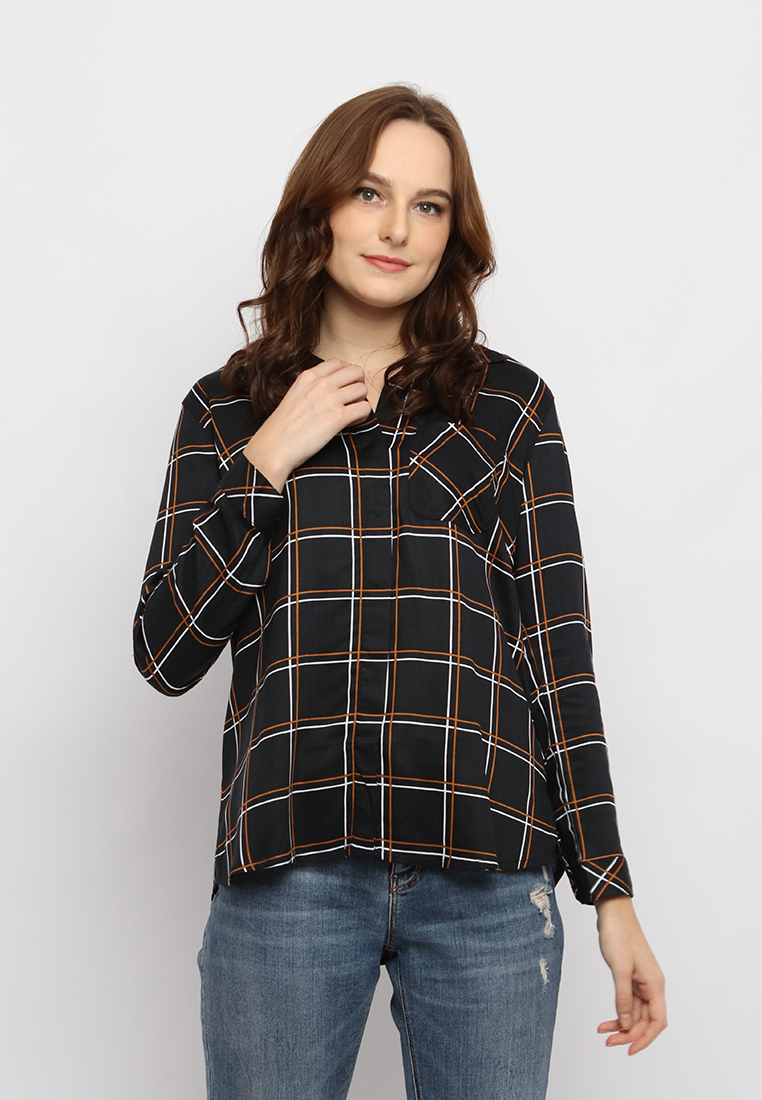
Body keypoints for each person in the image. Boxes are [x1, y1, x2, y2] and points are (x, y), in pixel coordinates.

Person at [133, 85, 666, 1100]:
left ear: (452, 233)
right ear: (322, 208)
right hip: (290, 868)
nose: (396, 229)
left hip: (487, 878)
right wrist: (270, 456)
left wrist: (611, 891)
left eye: (428, 205)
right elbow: (165, 652)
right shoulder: (228, 409)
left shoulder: (509, 408)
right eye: (371, 193)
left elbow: (559, 657)